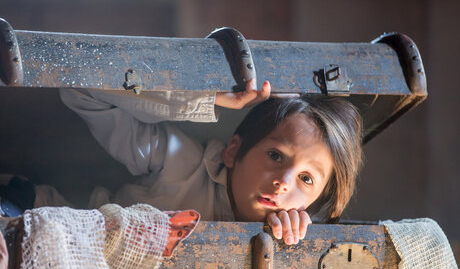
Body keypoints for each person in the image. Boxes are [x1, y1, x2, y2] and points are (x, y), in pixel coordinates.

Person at [57, 78, 363, 245]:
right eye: (275, 156)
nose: (284, 182)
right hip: (61, 232)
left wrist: (292, 243)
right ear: (232, 152)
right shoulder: (178, 160)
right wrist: (208, 98)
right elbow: (81, 89)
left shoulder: (298, 235)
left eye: (306, 179)